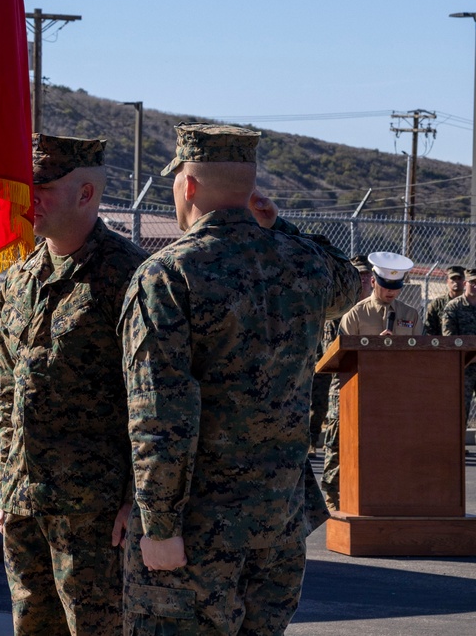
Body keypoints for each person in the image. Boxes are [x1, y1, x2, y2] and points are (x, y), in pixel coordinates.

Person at [120, 123, 359, 634]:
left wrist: (160, 525)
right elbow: (346, 279)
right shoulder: (303, 263)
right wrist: (280, 226)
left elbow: (158, 412)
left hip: (198, 524)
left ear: (187, 186)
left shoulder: (168, 274)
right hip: (277, 522)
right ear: (252, 190)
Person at [0, 133, 147, 635]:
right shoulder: (20, 280)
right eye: (27, 187)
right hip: (25, 501)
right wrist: (5, 485)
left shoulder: (131, 277)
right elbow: (7, 396)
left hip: (95, 511)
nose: (29, 200)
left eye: (44, 188)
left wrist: (136, 496)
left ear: (86, 194)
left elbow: (152, 397)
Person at [320, 254, 373, 511]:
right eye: (359, 276)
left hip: (375, 385)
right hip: (343, 384)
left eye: (367, 276)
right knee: (336, 439)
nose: (364, 280)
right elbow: (331, 349)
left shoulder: (380, 311)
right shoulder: (338, 312)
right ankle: (331, 491)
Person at [339, 252, 420, 337]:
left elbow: (423, 348)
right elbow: (342, 348)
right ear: (373, 282)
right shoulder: (355, 315)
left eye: (395, 287)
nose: (391, 291)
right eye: (385, 286)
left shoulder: (411, 315)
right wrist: (375, 345)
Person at [440, 268, 476, 440]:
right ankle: (457, 445)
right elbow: (449, 338)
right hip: (464, 366)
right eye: (473, 283)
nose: (475, 286)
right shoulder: (453, 307)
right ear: (465, 283)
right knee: (461, 407)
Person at [424, 265, 465, 336]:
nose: (456, 281)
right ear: (447, 281)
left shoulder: (471, 302)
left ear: (464, 282)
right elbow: (429, 329)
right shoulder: (437, 304)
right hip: (443, 344)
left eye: (459, 278)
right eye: (453, 278)